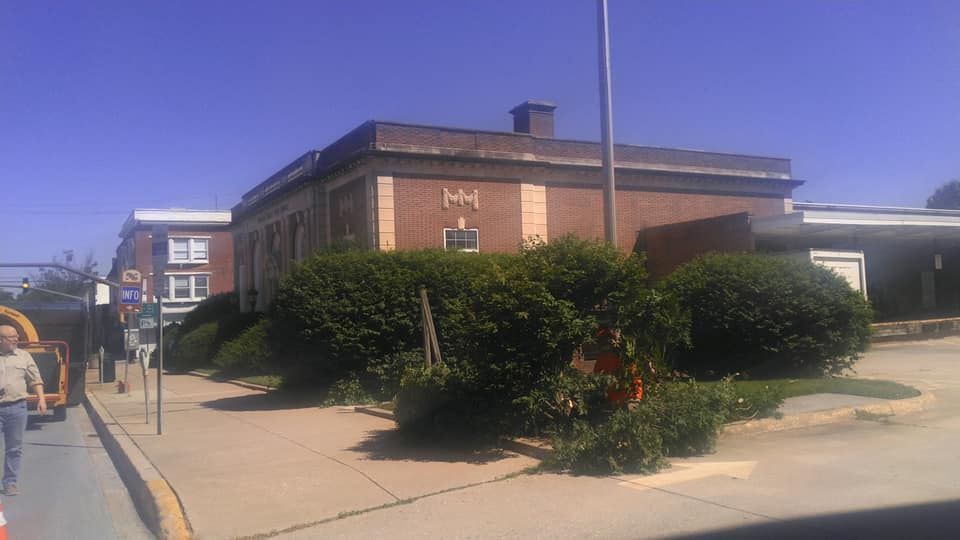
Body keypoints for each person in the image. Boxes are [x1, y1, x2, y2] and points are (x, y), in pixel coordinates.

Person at [0, 325, 46, 496]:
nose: (16, 339)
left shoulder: (24, 356)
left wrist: (41, 399)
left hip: (17, 408)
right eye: (11, 336)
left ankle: (10, 482)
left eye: (16, 336)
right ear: (0, 339)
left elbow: (35, 379)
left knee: (14, 448)